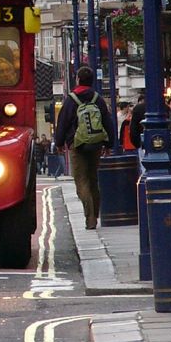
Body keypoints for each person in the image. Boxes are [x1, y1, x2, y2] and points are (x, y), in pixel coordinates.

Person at [54, 65, 114, 229]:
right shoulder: (98, 98)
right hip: (95, 144)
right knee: (93, 180)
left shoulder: (71, 99)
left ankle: (90, 218)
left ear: (78, 79)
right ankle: (95, 214)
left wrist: (59, 143)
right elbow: (107, 122)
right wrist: (109, 144)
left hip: (77, 144)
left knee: (81, 181)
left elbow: (63, 122)